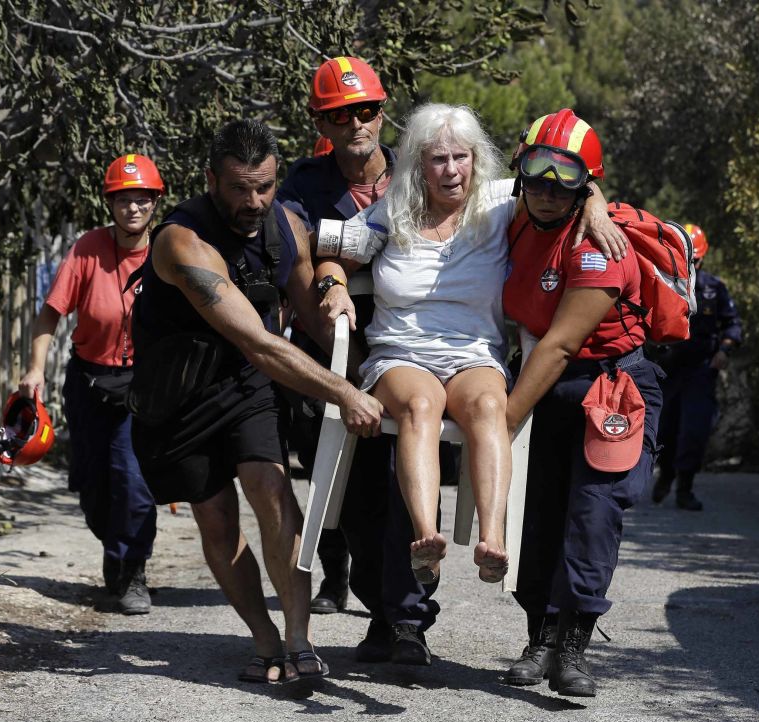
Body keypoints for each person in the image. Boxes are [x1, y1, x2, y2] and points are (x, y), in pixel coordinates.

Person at [312, 105, 626, 609]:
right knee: (419, 406)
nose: (451, 170)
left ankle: (493, 541)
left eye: (461, 157)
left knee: (489, 407)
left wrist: (594, 203)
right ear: (418, 164)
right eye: (438, 159)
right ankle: (426, 543)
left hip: (474, 353)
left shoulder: (499, 204)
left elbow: (564, 179)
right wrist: (333, 284)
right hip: (401, 353)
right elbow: (327, 244)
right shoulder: (393, 211)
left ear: (477, 161)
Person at [129, 119, 383, 684]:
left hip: (246, 386)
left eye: (264, 186)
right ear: (211, 180)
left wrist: (373, 375)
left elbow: (313, 320)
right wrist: (344, 392)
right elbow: (260, 341)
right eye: (240, 188)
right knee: (218, 524)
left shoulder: (285, 227)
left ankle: (298, 640)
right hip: (179, 397)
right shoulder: (182, 242)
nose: (254, 201)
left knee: (274, 497)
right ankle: (264, 640)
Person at [277, 56, 442, 666]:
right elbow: (296, 256)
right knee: (348, 498)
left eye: (367, 110)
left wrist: (590, 196)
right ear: (322, 120)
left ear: (383, 108)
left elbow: (509, 196)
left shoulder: (421, 171)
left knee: (407, 486)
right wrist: (329, 285)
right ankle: (381, 608)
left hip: (413, 358)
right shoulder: (302, 186)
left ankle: (408, 623)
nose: (356, 124)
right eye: (341, 114)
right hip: (335, 360)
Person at [500, 109, 666, 698]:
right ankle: (539, 639)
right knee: (539, 513)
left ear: (583, 182)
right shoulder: (517, 215)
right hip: (552, 387)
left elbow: (564, 343)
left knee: (593, 516)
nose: (547, 188)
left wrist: (503, 421)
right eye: (535, 171)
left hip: (609, 384)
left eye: (565, 177)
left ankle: (574, 647)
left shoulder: (598, 245)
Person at [18, 154, 164, 616]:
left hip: (141, 385)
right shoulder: (87, 249)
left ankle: (133, 570)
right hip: (88, 379)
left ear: (155, 204)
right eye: (124, 200)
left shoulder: (169, 250)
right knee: (91, 482)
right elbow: (50, 314)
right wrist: (35, 368)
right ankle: (115, 552)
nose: (133, 209)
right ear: (111, 204)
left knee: (131, 478)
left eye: (142, 200)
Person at [652, 223, 742, 511]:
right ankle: (665, 474)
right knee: (664, 429)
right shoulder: (660, 283)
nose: (690, 265)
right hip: (669, 369)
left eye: (695, 259)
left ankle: (685, 489)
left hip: (701, 370)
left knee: (695, 430)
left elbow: (732, 325)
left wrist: (725, 350)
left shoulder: (714, 289)